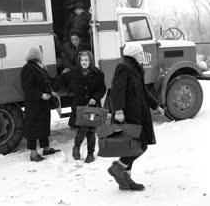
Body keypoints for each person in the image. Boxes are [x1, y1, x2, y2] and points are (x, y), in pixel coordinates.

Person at [107, 42, 164, 190]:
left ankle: (125, 180)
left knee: (131, 146)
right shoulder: (124, 67)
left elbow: (143, 91)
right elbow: (116, 90)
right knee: (140, 145)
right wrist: (118, 110)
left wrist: (156, 105)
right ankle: (117, 168)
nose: (142, 56)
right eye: (140, 53)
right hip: (129, 114)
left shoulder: (136, 68)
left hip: (138, 113)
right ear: (133, 54)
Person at [53, 51, 106, 163]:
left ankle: (90, 154)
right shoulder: (73, 72)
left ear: (90, 60)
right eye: (82, 60)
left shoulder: (98, 73)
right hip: (79, 105)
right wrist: (55, 89)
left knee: (91, 130)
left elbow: (102, 89)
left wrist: (95, 98)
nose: (84, 62)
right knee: (83, 128)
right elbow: (62, 78)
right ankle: (76, 146)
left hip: (93, 105)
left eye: (86, 60)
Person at [20, 46, 60, 162]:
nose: (42, 54)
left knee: (44, 125)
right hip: (34, 103)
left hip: (42, 103)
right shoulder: (28, 68)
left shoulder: (39, 67)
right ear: (36, 54)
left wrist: (62, 76)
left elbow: (49, 81)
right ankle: (33, 154)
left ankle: (46, 148)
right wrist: (40, 95)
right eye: (41, 53)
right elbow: (27, 88)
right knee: (33, 127)